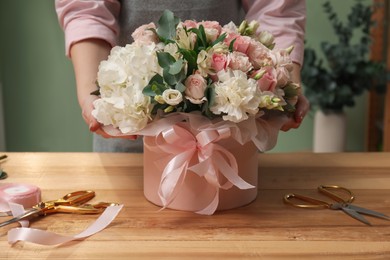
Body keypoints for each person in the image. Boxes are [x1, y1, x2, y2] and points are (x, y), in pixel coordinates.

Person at [55, 0, 309, 152]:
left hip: (232, 139)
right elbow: (87, 9)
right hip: (127, 134)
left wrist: (284, 82)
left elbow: (277, 9)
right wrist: (94, 95)